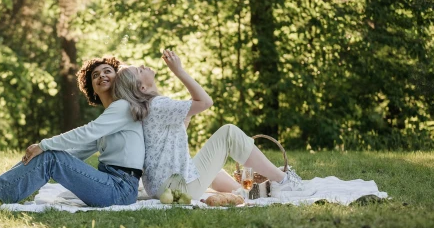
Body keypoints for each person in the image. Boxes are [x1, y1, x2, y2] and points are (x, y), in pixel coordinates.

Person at [0, 56, 145, 207]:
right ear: (92, 88)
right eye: (95, 75)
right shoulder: (110, 116)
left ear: (117, 78)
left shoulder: (122, 107)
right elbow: (79, 152)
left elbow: (86, 132)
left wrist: (44, 146)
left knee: (49, 156)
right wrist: (38, 163)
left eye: (107, 71)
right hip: (111, 184)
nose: (101, 75)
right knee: (50, 157)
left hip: (120, 188)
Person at [111, 49, 304, 200]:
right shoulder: (157, 105)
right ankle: (283, 181)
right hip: (178, 189)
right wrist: (179, 71)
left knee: (206, 168)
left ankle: (250, 193)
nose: (143, 65)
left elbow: (174, 136)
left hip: (164, 188)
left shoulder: (147, 108)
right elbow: (206, 102)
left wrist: (187, 112)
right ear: (142, 88)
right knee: (229, 133)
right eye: (138, 70)